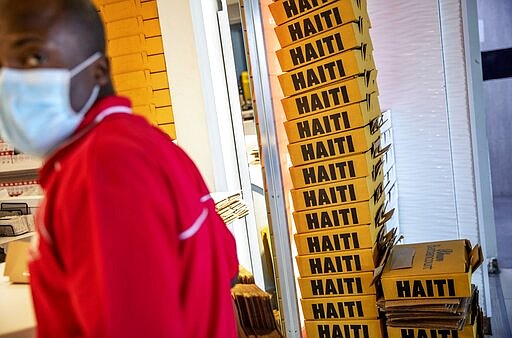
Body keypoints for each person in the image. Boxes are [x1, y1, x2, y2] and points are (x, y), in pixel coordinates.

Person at [0, 0, 239, 337]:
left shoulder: (105, 166)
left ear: (98, 71)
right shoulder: (145, 143)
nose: (9, 83)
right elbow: (225, 264)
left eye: (33, 57)